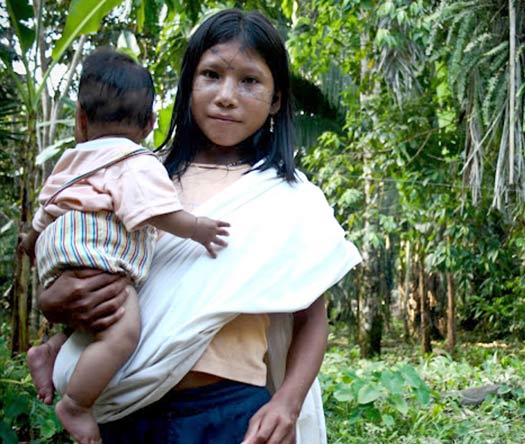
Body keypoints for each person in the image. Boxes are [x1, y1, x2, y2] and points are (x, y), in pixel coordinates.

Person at [37, 8, 361, 444]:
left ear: (276, 99)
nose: (227, 96)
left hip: (229, 412)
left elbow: (311, 319)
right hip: (121, 406)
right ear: (188, 84)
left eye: (249, 81)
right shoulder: (135, 174)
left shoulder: (290, 199)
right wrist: (54, 301)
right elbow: (80, 254)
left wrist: (287, 402)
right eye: (211, 75)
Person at [18, 49, 230, 444]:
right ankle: (76, 404)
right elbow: (158, 212)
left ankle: (51, 349)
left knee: (93, 318)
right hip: (98, 250)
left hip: (57, 250)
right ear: (149, 124)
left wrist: (31, 247)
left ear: (81, 119)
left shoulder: (71, 160)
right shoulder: (137, 160)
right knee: (123, 331)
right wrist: (197, 228)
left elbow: (45, 213)